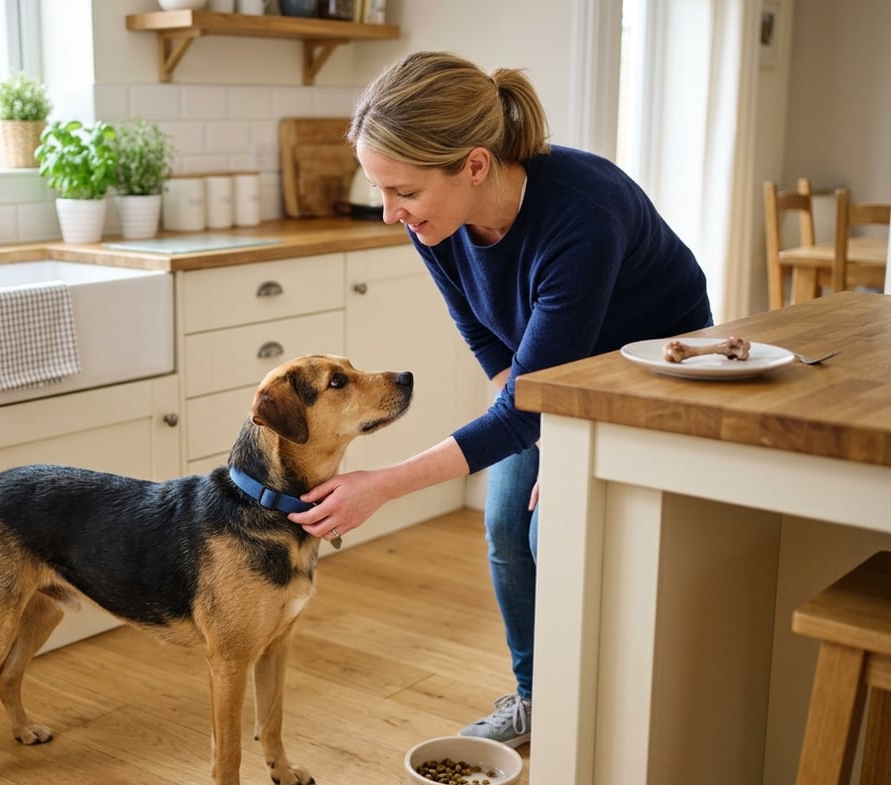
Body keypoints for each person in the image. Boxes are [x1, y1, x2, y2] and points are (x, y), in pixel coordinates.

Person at [287, 51, 712, 747]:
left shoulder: (581, 211)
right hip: (552, 382)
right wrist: (542, 435)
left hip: (650, 375)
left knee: (559, 531)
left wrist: (383, 484)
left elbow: (527, 402)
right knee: (505, 524)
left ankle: (606, 709)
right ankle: (536, 699)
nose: (390, 213)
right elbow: (490, 344)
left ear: (474, 166)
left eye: (403, 192)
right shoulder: (435, 220)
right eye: (380, 190)